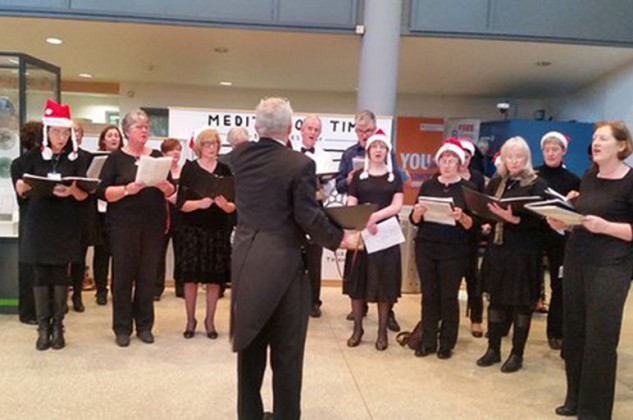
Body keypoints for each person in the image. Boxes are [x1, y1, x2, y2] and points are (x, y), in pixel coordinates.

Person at [231, 98, 344, 420]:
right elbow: (308, 217)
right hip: (284, 267)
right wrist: (340, 238)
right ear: (291, 128)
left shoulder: (237, 158)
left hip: (245, 263)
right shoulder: (299, 164)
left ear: (256, 126)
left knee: (249, 350)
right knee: (287, 356)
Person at [548, 121, 633, 419]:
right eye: (595, 138)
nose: (596, 143)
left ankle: (594, 412)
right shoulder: (589, 176)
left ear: (622, 146)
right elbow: (581, 217)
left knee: (600, 339)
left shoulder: (630, 180)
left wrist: (607, 227)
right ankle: (575, 398)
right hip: (577, 260)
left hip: (612, 266)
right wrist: (563, 220)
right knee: (575, 333)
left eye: (603, 139)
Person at [14, 100, 89, 350]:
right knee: (40, 274)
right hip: (38, 222)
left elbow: (84, 195)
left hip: (65, 223)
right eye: (57, 131)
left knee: (59, 275)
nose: (61, 136)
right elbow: (22, 190)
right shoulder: (31, 158)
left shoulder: (76, 158)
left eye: (66, 132)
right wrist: (22, 186)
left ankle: (58, 326)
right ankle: (42, 327)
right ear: (46, 132)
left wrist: (73, 191)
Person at [97, 110, 175, 347]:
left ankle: (144, 325)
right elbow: (103, 193)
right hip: (123, 226)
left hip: (152, 224)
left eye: (146, 126)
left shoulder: (159, 157)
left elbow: (172, 192)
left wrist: (164, 187)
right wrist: (127, 190)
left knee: (147, 276)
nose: (144, 130)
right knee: (122, 277)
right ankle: (122, 328)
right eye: (139, 126)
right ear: (127, 131)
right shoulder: (115, 159)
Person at [476, 136, 547, 373]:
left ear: (526, 158)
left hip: (524, 252)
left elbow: (543, 222)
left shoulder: (537, 183)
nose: (514, 161)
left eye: (519, 156)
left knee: (521, 304)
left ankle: (517, 354)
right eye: (509, 156)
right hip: (498, 249)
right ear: (503, 158)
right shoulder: (497, 181)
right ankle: (493, 348)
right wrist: (486, 221)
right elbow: (485, 208)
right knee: (495, 299)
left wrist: (514, 219)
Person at [335, 110, 401, 332]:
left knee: (385, 279)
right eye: (361, 132)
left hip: (385, 232)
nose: (377, 150)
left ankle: (384, 324)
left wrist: (374, 217)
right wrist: (361, 221)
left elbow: (396, 201)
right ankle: (358, 324)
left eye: (369, 132)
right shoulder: (349, 157)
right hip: (363, 231)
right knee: (358, 278)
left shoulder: (393, 172)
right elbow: (344, 191)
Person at [411, 139, 473, 359]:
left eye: (452, 160)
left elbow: (472, 225)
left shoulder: (467, 189)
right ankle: (428, 340)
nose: (447, 164)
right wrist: (417, 213)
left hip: (454, 250)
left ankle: (447, 342)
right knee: (429, 296)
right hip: (427, 246)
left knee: (448, 296)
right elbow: (415, 220)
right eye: (443, 160)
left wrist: (462, 217)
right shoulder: (428, 185)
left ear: (459, 162)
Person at [177, 129, 234, 339]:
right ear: (199, 147)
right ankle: (190, 320)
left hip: (217, 230)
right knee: (190, 279)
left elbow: (232, 207)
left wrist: (224, 204)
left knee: (213, 281)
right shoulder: (190, 169)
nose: (212, 148)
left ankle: (210, 320)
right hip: (193, 229)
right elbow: (181, 205)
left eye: (215, 144)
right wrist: (200, 203)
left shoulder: (225, 169)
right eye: (208, 144)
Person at [535, 131, 580, 351]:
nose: (550, 153)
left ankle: (555, 331)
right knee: (524, 279)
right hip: (532, 233)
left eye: (555, 149)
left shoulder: (572, 179)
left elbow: (578, 211)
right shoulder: (532, 174)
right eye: (547, 149)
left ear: (563, 152)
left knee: (558, 284)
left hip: (558, 237)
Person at [295, 115, 330, 318]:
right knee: (293, 258)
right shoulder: (290, 153)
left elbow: (330, 187)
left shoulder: (325, 156)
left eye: (316, 129)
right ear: (301, 129)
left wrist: (319, 186)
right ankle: (293, 300)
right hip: (294, 212)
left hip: (316, 210)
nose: (312, 132)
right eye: (309, 128)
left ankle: (314, 301)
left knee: (314, 258)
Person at [11, 121, 43, 324]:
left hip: (46, 217)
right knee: (29, 267)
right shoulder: (19, 163)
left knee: (45, 267)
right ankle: (28, 312)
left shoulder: (47, 161)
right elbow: (21, 192)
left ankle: (44, 309)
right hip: (30, 217)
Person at [92, 125, 123, 305]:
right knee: (101, 254)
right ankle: (101, 290)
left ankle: (116, 290)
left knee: (119, 254)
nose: (113, 139)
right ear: (103, 139)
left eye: (116, 136)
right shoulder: (95, 158)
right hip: (99, 211)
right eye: (110, 135)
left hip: (119, 211)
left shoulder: (124, 159)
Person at [458, 138, 486, 338]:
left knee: (473, 279)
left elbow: (483, 203)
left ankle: (476, 318)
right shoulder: (446, 176)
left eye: (467, 156)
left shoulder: (477, 177)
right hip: (451, 235)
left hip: (471, 234)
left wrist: (483, 222)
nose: (464, 160)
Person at [67, 119, 94, 312]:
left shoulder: (88, 157)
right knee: (62, 258)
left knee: (79, 257)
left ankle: (77, 294)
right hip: (61, 212)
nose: (76, 134)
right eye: (72, 131)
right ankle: (61, 297)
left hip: (82, 210)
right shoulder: (58, 156)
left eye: (79, 131)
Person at [156, 138, 184, 300]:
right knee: (159, 254)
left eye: (178, 149)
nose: (175, 153)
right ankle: (156, 288)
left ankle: (180, 287)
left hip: (180, 215)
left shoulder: (185, 170)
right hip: (162, 215)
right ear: (164, 153)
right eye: (172, 150)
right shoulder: (160, 170)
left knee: (181, 252)